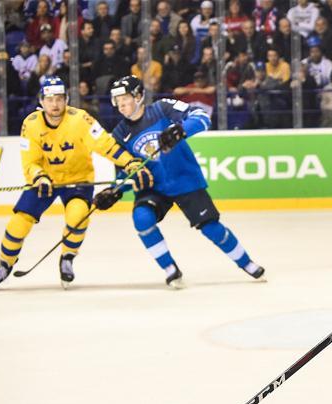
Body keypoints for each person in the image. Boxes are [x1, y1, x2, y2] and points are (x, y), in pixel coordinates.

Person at [98, 76, 265, 288]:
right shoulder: (120, 133)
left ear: (139, 96)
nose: (120, 105)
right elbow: (125, 170)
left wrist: (182, 130)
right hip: (153, 187)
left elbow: (202, 116)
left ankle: (247, 263)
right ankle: (170, 270)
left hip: (184, 179)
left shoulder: (162, 108)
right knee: (141, 218)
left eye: (125, 99)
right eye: (116, 100)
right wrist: (115, 190)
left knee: (211, 227)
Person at [0, 76, 152, 289]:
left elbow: (107, 146)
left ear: (66, 99)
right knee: (18, 222)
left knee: (78, 216)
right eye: (50, 99)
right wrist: (39, 176)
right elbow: (30, 161)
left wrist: (129, 163)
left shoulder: (81, 120)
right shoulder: (30, 124)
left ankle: (67, 259)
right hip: (44, 181)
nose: (55, 104)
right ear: (41, 101)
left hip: (78, 180)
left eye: (59, 99)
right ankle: (4, 265)